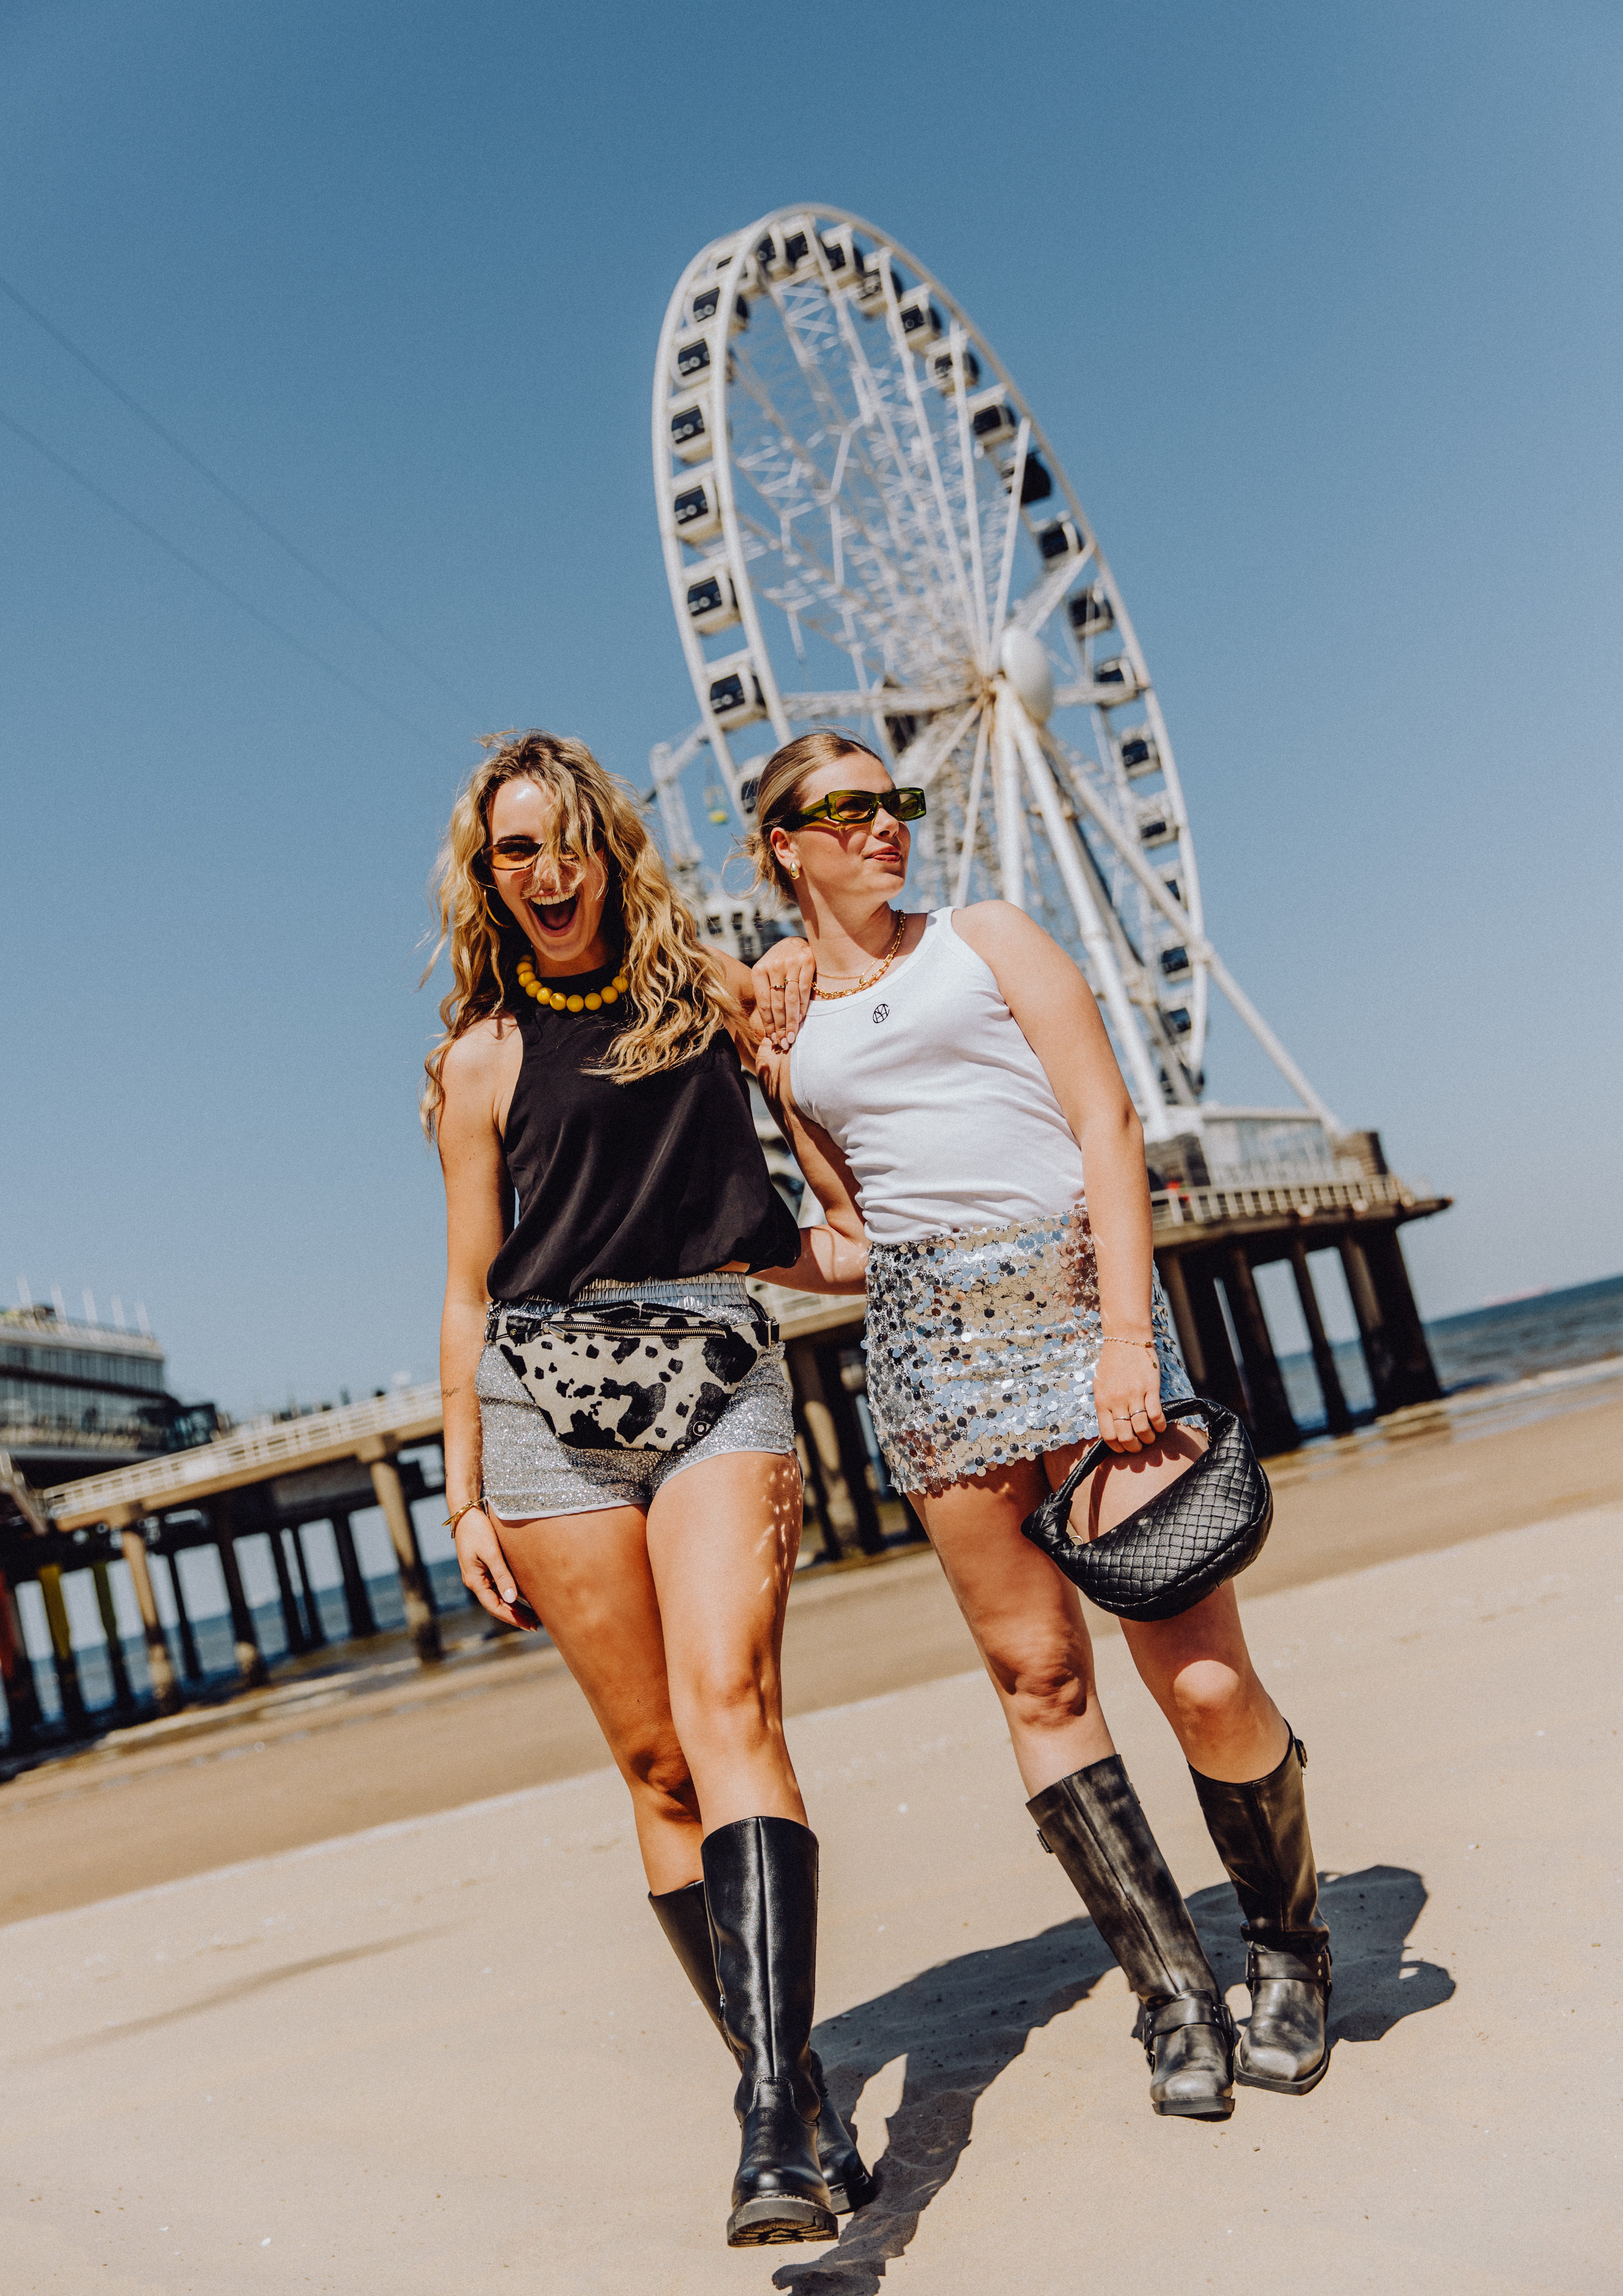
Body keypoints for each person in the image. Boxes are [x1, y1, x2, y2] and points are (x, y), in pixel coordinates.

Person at [748, 730, 1332, 2117]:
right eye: (849, 809)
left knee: (1199, 1673)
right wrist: (727, 1246)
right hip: (932, 1356)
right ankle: (1173, 1994)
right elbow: (853, 1235)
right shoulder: (786, 1035)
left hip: (1082, 1316)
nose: (886, 824)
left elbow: (1106, 1123)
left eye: (897, 800)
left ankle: (1290, 1948)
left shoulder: (989, 937)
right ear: (784, 844)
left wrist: (1128, 1334)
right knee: (1040, 1680)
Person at [424, 730, 875, 2247]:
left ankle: (767, 2124)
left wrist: (796, 963)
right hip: (542, 1406)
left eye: (569, 841)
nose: (547, 872)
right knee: (657, 1765)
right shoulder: (480, 1061)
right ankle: (789, 2081)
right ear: (489, 877)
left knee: (731, 1702)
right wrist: (464, 1491)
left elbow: (819, 1053)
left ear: (610, 848)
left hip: (713, 1366)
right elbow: (467, 1287)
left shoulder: (709, 992)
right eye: (516, 850)